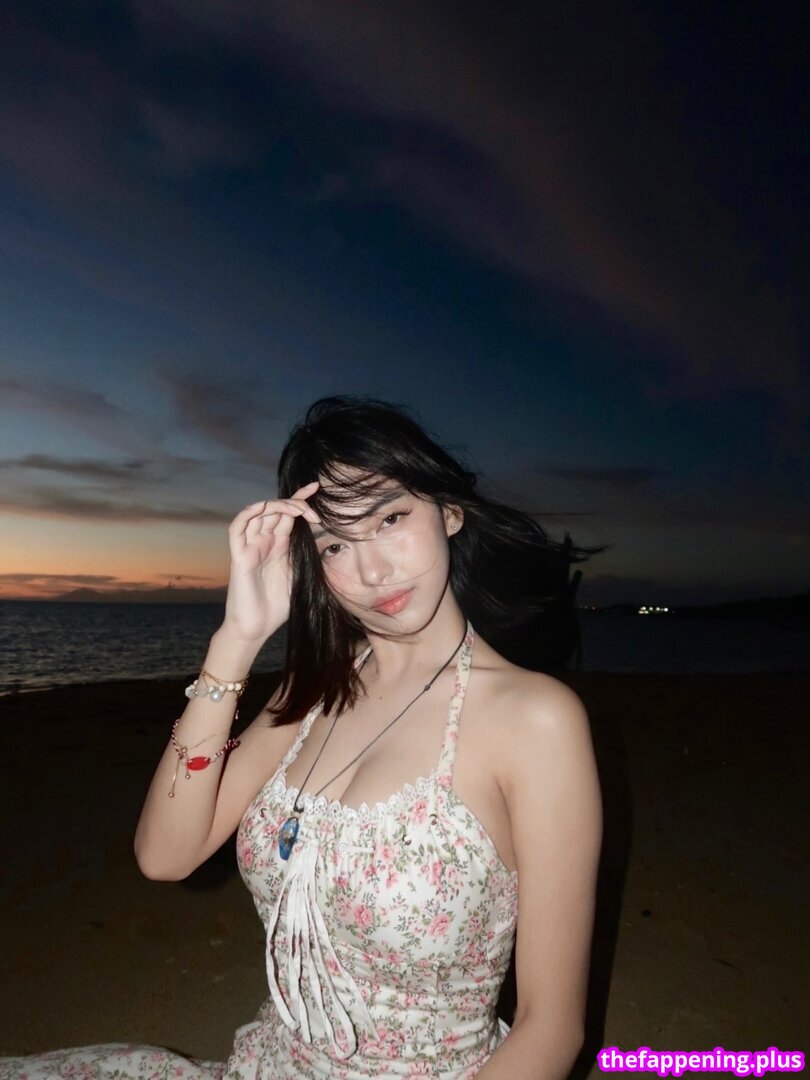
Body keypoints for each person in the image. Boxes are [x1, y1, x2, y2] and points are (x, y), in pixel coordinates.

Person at [0, 396, 604, 1079]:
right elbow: (165, 855)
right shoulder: (312, 693)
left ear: (449, 511)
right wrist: (238, 638)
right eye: (335, 544)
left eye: (390, 518)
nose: (372, 572)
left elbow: (551, 1027)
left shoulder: (535, 720)